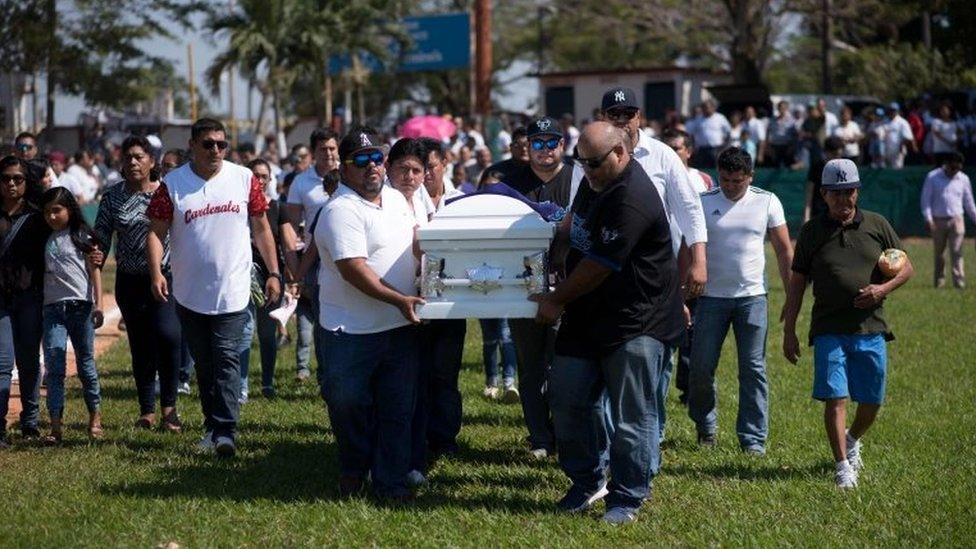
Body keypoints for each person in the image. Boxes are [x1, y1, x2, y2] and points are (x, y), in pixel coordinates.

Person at [535, 121, 684, 524]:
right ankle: (587, 481)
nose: (587, 171)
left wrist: (554, 300)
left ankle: (628, 496)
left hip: (636, 319)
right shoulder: (593, 178)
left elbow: (599, 265)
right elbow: (573, 226)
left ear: (621, 153)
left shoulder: (631, 197)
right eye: (581, 163)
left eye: (595, 163)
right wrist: (550, 249)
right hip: (587, 314)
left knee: (632, 415)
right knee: (566, 398)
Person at [146, 118, 281, 458]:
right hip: (189, 291)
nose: (216, 150)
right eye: (208, 144)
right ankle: (212, 426)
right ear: (192, 145)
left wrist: (274, 271)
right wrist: (155, 273)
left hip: (233, 288)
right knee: (204, 364)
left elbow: (262, 228)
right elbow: (155, 232)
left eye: (222, 144)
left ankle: (226, 432)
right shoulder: (173, 184)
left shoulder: (244, 179)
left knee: (226, 360)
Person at [581, 87, 708, 440]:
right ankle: (616, 445)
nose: (623, 120)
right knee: (611, 360)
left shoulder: (664, 155)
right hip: (606, 270)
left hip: (654, 274)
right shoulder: (591, 155)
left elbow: (689, 210)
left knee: (653, 363)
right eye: (614, 114)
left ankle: (651, 441)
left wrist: (699, 259)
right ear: (603, 117)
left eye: (629, 113)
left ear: (639, 117)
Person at [783, 158, 915, 489]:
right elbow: (798, 282)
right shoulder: (812, 231)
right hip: (829, 328)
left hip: (871, 328)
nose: (844, 200)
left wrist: (881, 289)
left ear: (857, 191)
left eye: (850, 192)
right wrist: (789, 330)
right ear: (824, 195)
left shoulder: (877, 224)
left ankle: (853, 438)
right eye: (836, 194)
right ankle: (842, 466)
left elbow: (906, 265)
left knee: (872, 402)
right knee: (835, 398)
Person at [315, 127, 423, 501]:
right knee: (348, 405)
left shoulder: (396, 199)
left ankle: (390, 483)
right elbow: (353, 269)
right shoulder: (339, 210)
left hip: (399, 326)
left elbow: (416, 243)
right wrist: (400, 300)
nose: (371, 166)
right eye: (360, 160)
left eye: (377, 158)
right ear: (344, 169)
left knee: (397, 409)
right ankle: (353, 467)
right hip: (351, 331)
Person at [687, 147, 793, 454]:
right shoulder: (703, 202)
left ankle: (753, 440)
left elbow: (784, 250)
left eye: (738, 181)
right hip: (709, 299)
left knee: (753, 368)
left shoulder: (767, 201)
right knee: (701, 368)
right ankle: (705, 425)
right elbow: (689, 247)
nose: (731, 186)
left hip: (752, 298)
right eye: (725, 180)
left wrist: (791, 294)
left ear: (751, 177)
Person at [386, 138, 467, 488]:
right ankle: (395, 457)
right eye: (403, 169)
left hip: (422, 302)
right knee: (401, 388)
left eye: (417, 170)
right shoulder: (384, 200)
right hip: (390, 305)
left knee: (423, 382)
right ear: (389, 169)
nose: (412, 176)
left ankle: (416, 456)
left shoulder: (420, 200)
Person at [93, 136, 183, 432]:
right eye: (127, 157)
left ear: (151, 161)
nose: (132, 162)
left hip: (166, 278)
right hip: (129, 282)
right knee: (141, 344)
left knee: (169, 336)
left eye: (139, 157)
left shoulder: (166, 194)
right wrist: (95, 252)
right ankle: (148, 410)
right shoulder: (112, 197)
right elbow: (102, 238)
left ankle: (169, 408)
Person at [505, 116, 576, 459]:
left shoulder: (579, 178)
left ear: (562, 145)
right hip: (522, 289)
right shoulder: (511, 184)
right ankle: (539, 438)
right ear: (526, 147)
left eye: (552, 143)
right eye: (538, 143)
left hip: (570, 288)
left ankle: (565, 434)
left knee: (565, 365)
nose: (545, 150)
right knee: (530, 365)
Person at [38, 187, 104, 444]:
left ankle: (95, 417)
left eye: (57, 210)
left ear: (70, 209)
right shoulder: (44, 238)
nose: (52, 216)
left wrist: (98, 305)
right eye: (47, 212)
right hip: (52, 308)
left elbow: (95, 270)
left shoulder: (82, 235)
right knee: (54, 367)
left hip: (81, 308)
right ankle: (55, 427)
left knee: (86, 365)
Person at [659, 128, 712, 405]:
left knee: (694, 327)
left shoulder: (702, 180)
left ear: (688, 151)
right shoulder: (655, 175)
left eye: (677, 148)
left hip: (692, 262)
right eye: (667, 147)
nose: (672, 152)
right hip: (664, 265)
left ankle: (689, 387)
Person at [284, 128, 340, 383]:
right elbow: (290, 226)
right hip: (316, 261)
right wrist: (295, 269)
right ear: (313, 152)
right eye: (323, 149)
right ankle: (325, 371)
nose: (328, 153)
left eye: (332, 148)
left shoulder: (351, 175)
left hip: (350, 255)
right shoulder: (301, 182)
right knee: (322, 316)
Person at [0, 156, 49, 446]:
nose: (11, 184)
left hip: (31, 298)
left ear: (26, 181)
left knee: (29, 362)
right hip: (0, 301)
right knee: (3, 363)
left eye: (17, 178)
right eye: (5, 178)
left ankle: (30, 422)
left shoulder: (37, 215)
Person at [238, 158, 288, 399]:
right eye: (254, 175)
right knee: (245, 330)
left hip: (271, 276)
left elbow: (287, 245)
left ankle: (267, 383)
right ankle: (242, 387)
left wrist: (287, 276)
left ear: (270, 180)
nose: (259, 180)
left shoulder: (278, 208)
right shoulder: (237, 206)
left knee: (267, 333)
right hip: (243, 275)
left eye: (263, 176)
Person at [920, 152, 976, 289]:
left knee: (957, 252)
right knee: (940, 253)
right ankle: (939, 282)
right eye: (952, 168)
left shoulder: (963, 179)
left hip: (957, 219)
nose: (954, 171)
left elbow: (969, 202)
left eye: (957, 169)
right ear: (946, 165)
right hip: (938, 220)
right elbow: (925, 200)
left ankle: (959, 283)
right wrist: (928, 218)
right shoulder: (933, 177)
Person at [804, 136, 845, 222]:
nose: (838, 158)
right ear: (826, 152)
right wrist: (806, 216)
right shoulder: (817, 167)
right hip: (819, 214)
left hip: (837, 214)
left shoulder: (843, 168)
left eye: (839, 155)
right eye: (835, 155)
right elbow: (809, 194)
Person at [692, 100, 731, 169]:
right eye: (703, 107)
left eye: (707, 107)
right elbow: (692, 134)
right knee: (702, 169)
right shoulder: (698, 119)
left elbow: (728, 133)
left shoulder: (720, 118)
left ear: (713, 108)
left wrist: (724, 148)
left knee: (717, 169)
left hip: (716, 150)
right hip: (702, 150)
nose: (705, 109)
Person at [881, 103, 916, 169]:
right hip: (885, 151)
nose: (892, 112)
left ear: (897, 111)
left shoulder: (902, 122)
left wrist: (901, 145)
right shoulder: (884, 121)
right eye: (890, 110)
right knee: (885, 171)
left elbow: (908, 137)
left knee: (897, 171)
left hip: (898, 152)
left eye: (894, 110)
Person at [767, 101, 798, 168]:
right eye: (780, 108)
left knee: (788, 165)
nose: (782, 110)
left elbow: (795, 135)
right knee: (775, 165)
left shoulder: (792, 120)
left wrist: (792, 147)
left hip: (787, 146)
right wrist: (769, 147)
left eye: (783, 108)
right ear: (778, 109)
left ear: (787, 109)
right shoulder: (773, 120)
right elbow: (769, 133)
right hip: (775, 146)